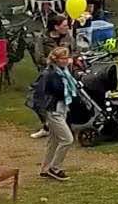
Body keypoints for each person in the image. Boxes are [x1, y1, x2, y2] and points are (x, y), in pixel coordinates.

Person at [32, 47, 81, 181]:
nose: (66, 60)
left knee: (53, 140)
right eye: (63, 58)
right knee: (67, 139)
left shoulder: (63, 72)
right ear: (56, 59)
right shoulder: (52, 74)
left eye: (67, 57)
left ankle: (45, 168)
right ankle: (55, 167)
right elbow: (57, 91)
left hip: (61, 108)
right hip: (53, 110)